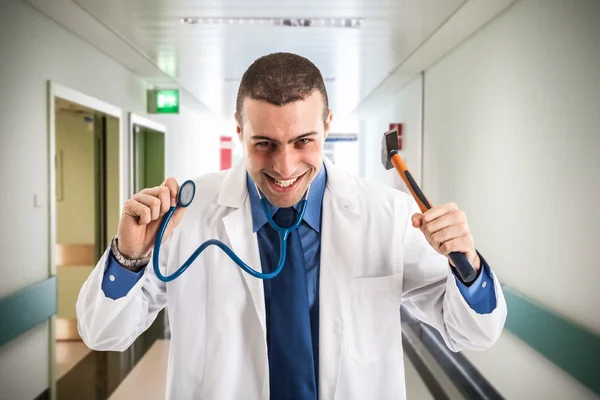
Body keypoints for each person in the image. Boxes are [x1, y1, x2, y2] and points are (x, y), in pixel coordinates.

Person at [77, 52, 507, 399]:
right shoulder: (187, 214)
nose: (284, 167)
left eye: (304, 141)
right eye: (264, 144)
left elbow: (473, 331)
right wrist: (128, 256)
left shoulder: (388, 216)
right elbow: (103, 332)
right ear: (239, 131)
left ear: (328, 126)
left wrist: (465, 264)